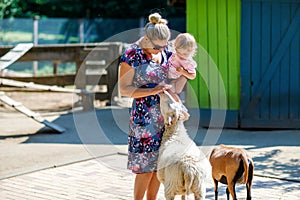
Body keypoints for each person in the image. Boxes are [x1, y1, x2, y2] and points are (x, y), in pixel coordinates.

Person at [118, 13, 172, 200]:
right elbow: (124, 89)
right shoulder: (132, 55)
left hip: (166, 115)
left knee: (159, 165)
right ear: (147, 39)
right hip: (144, 118)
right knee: (145, 167)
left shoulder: (165, 49)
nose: (160, 50)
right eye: (157, 47)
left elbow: (176, 75)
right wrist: (154, 90)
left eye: (164, 47)